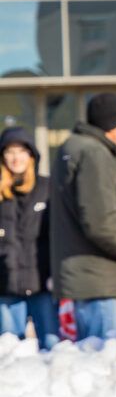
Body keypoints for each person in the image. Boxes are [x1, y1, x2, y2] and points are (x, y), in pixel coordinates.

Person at [50, 93, 116, 340]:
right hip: (96, 278)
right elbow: (100, 222)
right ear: (111, 126)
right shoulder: (94, 154)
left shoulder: (72, 147)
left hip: (80, 273)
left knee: (86, 362)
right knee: (101, 360)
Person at [0, 127, 56, 349]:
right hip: (5, 287)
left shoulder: (47, 188)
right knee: (9, 352)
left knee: (52, 346)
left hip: (41, 283)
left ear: (31, 155)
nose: (16, 158)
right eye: (10, 152)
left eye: (21, 151)